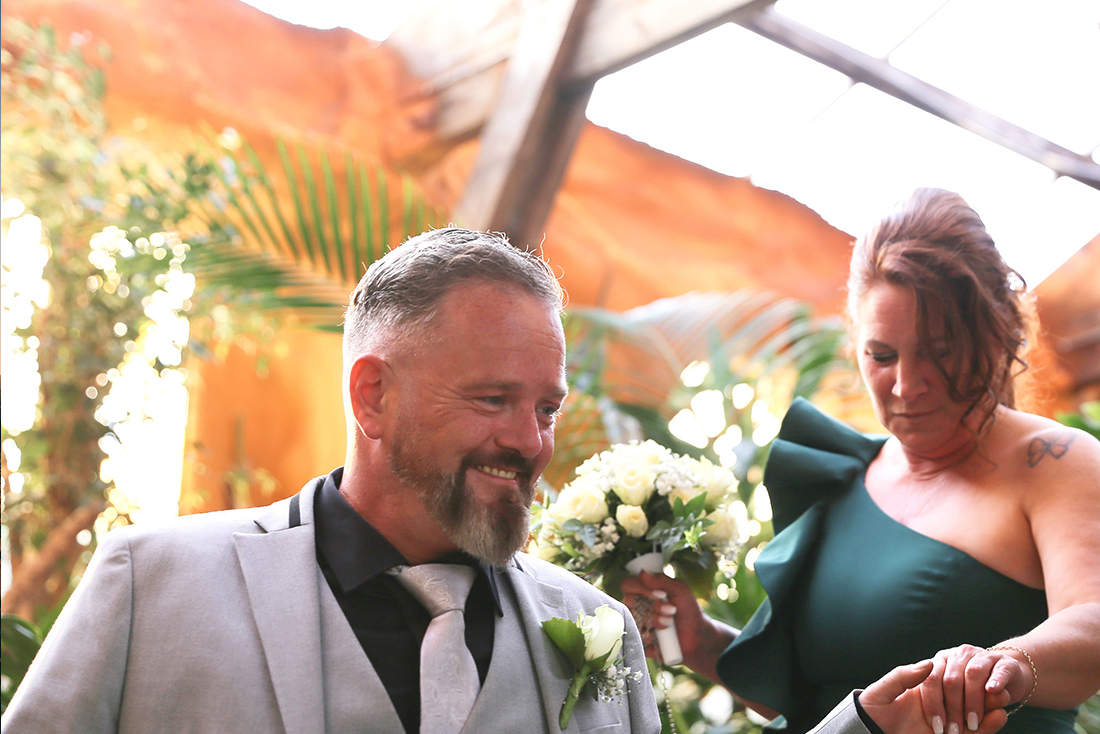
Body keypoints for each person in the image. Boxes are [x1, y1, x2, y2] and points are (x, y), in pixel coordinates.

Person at [4, 226, 988, 734]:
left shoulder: (598, 632)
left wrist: (861, 727)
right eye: (492, 399)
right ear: (373, 393)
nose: (529, 440)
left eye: (546, 407)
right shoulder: (150, 583)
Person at [623, 188, 1100, 734]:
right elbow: (819, 704)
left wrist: (1007, 665)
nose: (906, 384)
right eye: (882, 355)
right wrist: (703, 643)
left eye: (939, 351)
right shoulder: (841, 472)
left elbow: (1094, 618)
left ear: (995, 334)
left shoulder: (1055, 461)